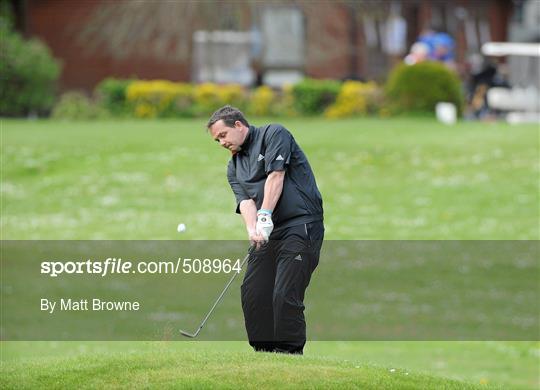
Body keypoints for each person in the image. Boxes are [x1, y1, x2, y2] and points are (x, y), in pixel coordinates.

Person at [207, 105, 324, 354]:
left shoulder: (274, 134)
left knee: (284, 294)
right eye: (217, 140)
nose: (221, 143)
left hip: (301, 225)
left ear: (238, 125)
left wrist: (265, 215)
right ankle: (264, 357)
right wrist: (253, 229)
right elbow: (245, 201)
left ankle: (289, 355)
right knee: (253, 294)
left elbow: (276, 175)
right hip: (267, 232)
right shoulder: (234, 167)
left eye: (223, 136)